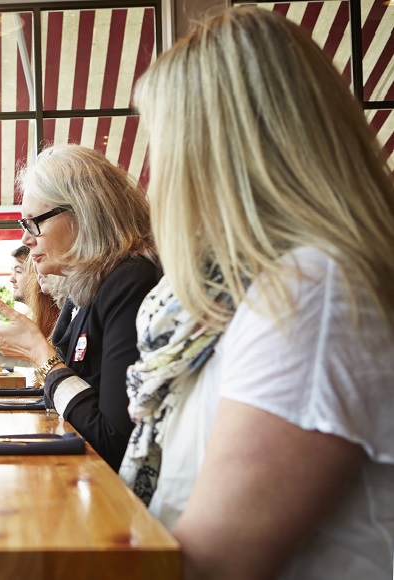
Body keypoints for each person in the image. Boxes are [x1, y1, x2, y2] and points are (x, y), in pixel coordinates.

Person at [123, 7, 394, 578]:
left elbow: (216, 563)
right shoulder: (267, 289)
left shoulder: (311, 294)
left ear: (214, 155)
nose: (154, 173)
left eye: (163, 143)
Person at [0, 144, 159, 470]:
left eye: (32, 223)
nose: (25, 239)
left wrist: (41, 356)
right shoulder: (84, 290)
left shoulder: (130, 282)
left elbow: (112, 442)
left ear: (83, 213)